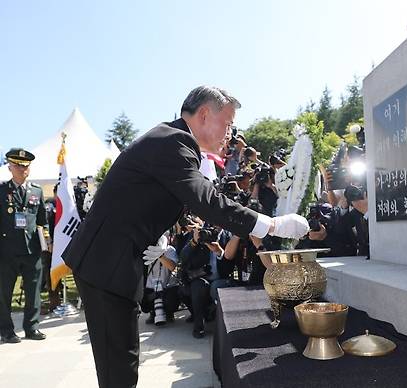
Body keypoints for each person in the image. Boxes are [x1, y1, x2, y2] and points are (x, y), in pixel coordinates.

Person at [62, 86, 309, 388]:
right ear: (205, 114)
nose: (230, 133)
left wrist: (159, 236)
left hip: (112, 259)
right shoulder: (174, 141)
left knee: (121, 363)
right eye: (229, 123)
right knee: (118, 369)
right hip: (107, 263)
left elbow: (161, 198)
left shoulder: (170, 140)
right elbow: (204, 199)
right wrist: (271, 225)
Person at [0, 148, 48, 343]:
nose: (22, 169)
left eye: (25, 166)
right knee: (4, 293)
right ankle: (6, 330)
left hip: (32, 249)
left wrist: (47, 240)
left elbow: (42, 220)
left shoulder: (36, 190)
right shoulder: (2, 191)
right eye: (18, 166)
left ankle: (32, 327)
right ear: (10, 167)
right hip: (7, 250)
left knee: (34, 290)